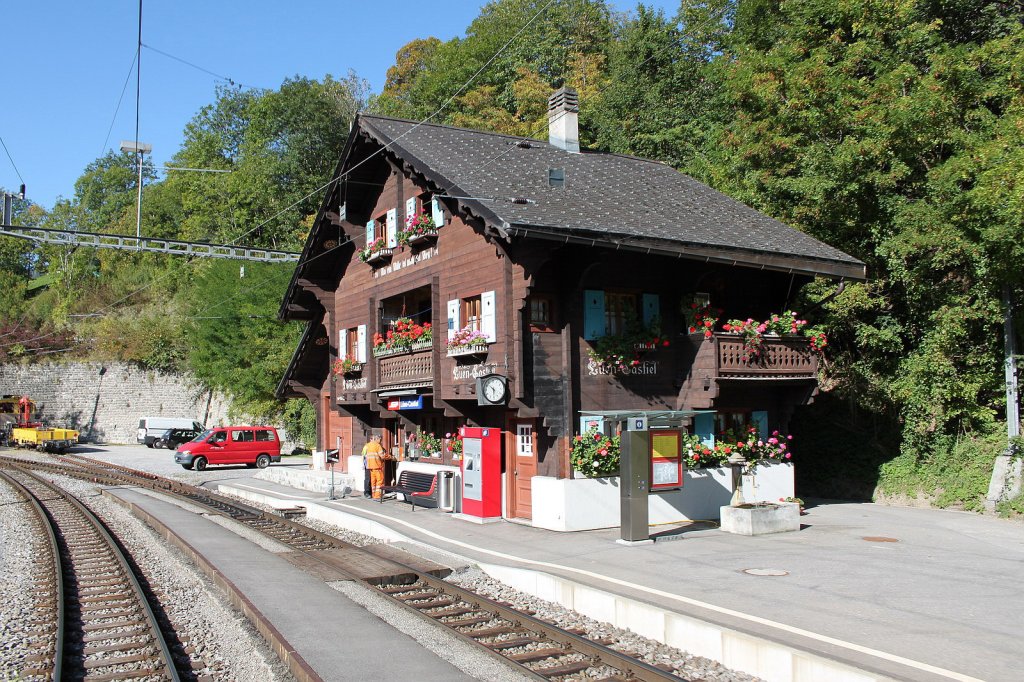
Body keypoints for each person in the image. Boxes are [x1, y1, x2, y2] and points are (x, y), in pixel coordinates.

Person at [362, 434, 387, 500]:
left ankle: (372, 494)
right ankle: (373, 494)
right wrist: (390, 457)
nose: (380, 441)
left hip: (370, 466)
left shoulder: (368, 446)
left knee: (372, 481)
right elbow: (382, 456)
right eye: (380, 439)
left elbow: (363, 455)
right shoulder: (374, 446)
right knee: (376, 480)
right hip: (373, 466)